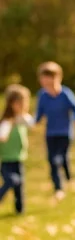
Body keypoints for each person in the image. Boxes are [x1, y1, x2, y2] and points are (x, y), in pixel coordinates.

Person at [34, 61, 75, 201]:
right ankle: (59, 187)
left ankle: (65, 182)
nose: (43, 81)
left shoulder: (65, 94)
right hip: (50, 133)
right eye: (42, 78)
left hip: (65, 133)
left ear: (56, 78)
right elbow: (39, 112)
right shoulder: (43, 95)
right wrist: (34, 121)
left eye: (47, 77)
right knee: (53, 160)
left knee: (60, 158)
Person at [0, 84, 35, 215]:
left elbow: (33, 123)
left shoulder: (22, 119)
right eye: (18, 103)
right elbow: (2, 136)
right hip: (7, 160)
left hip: (19, 158)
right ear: (11, 104)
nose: (21, 106)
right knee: (13, 180)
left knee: (20, 186)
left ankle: (20, 210)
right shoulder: (7, 121)